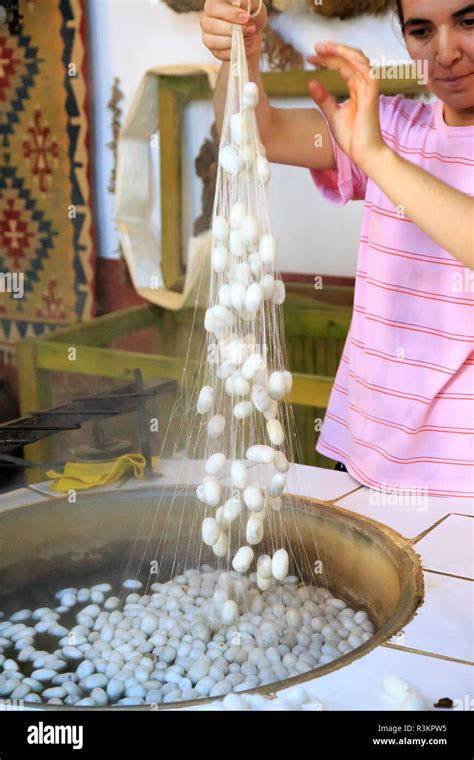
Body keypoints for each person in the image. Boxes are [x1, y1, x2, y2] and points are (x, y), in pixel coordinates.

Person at [201, 0, 474, 498]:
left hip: (462, 484)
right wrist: (241, 55)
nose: (447, 52)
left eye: (469, 21)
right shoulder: (391, 127)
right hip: (366, 459)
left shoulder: (376, 143)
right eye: (421, 31)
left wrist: (373, 155)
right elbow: (256, 133)